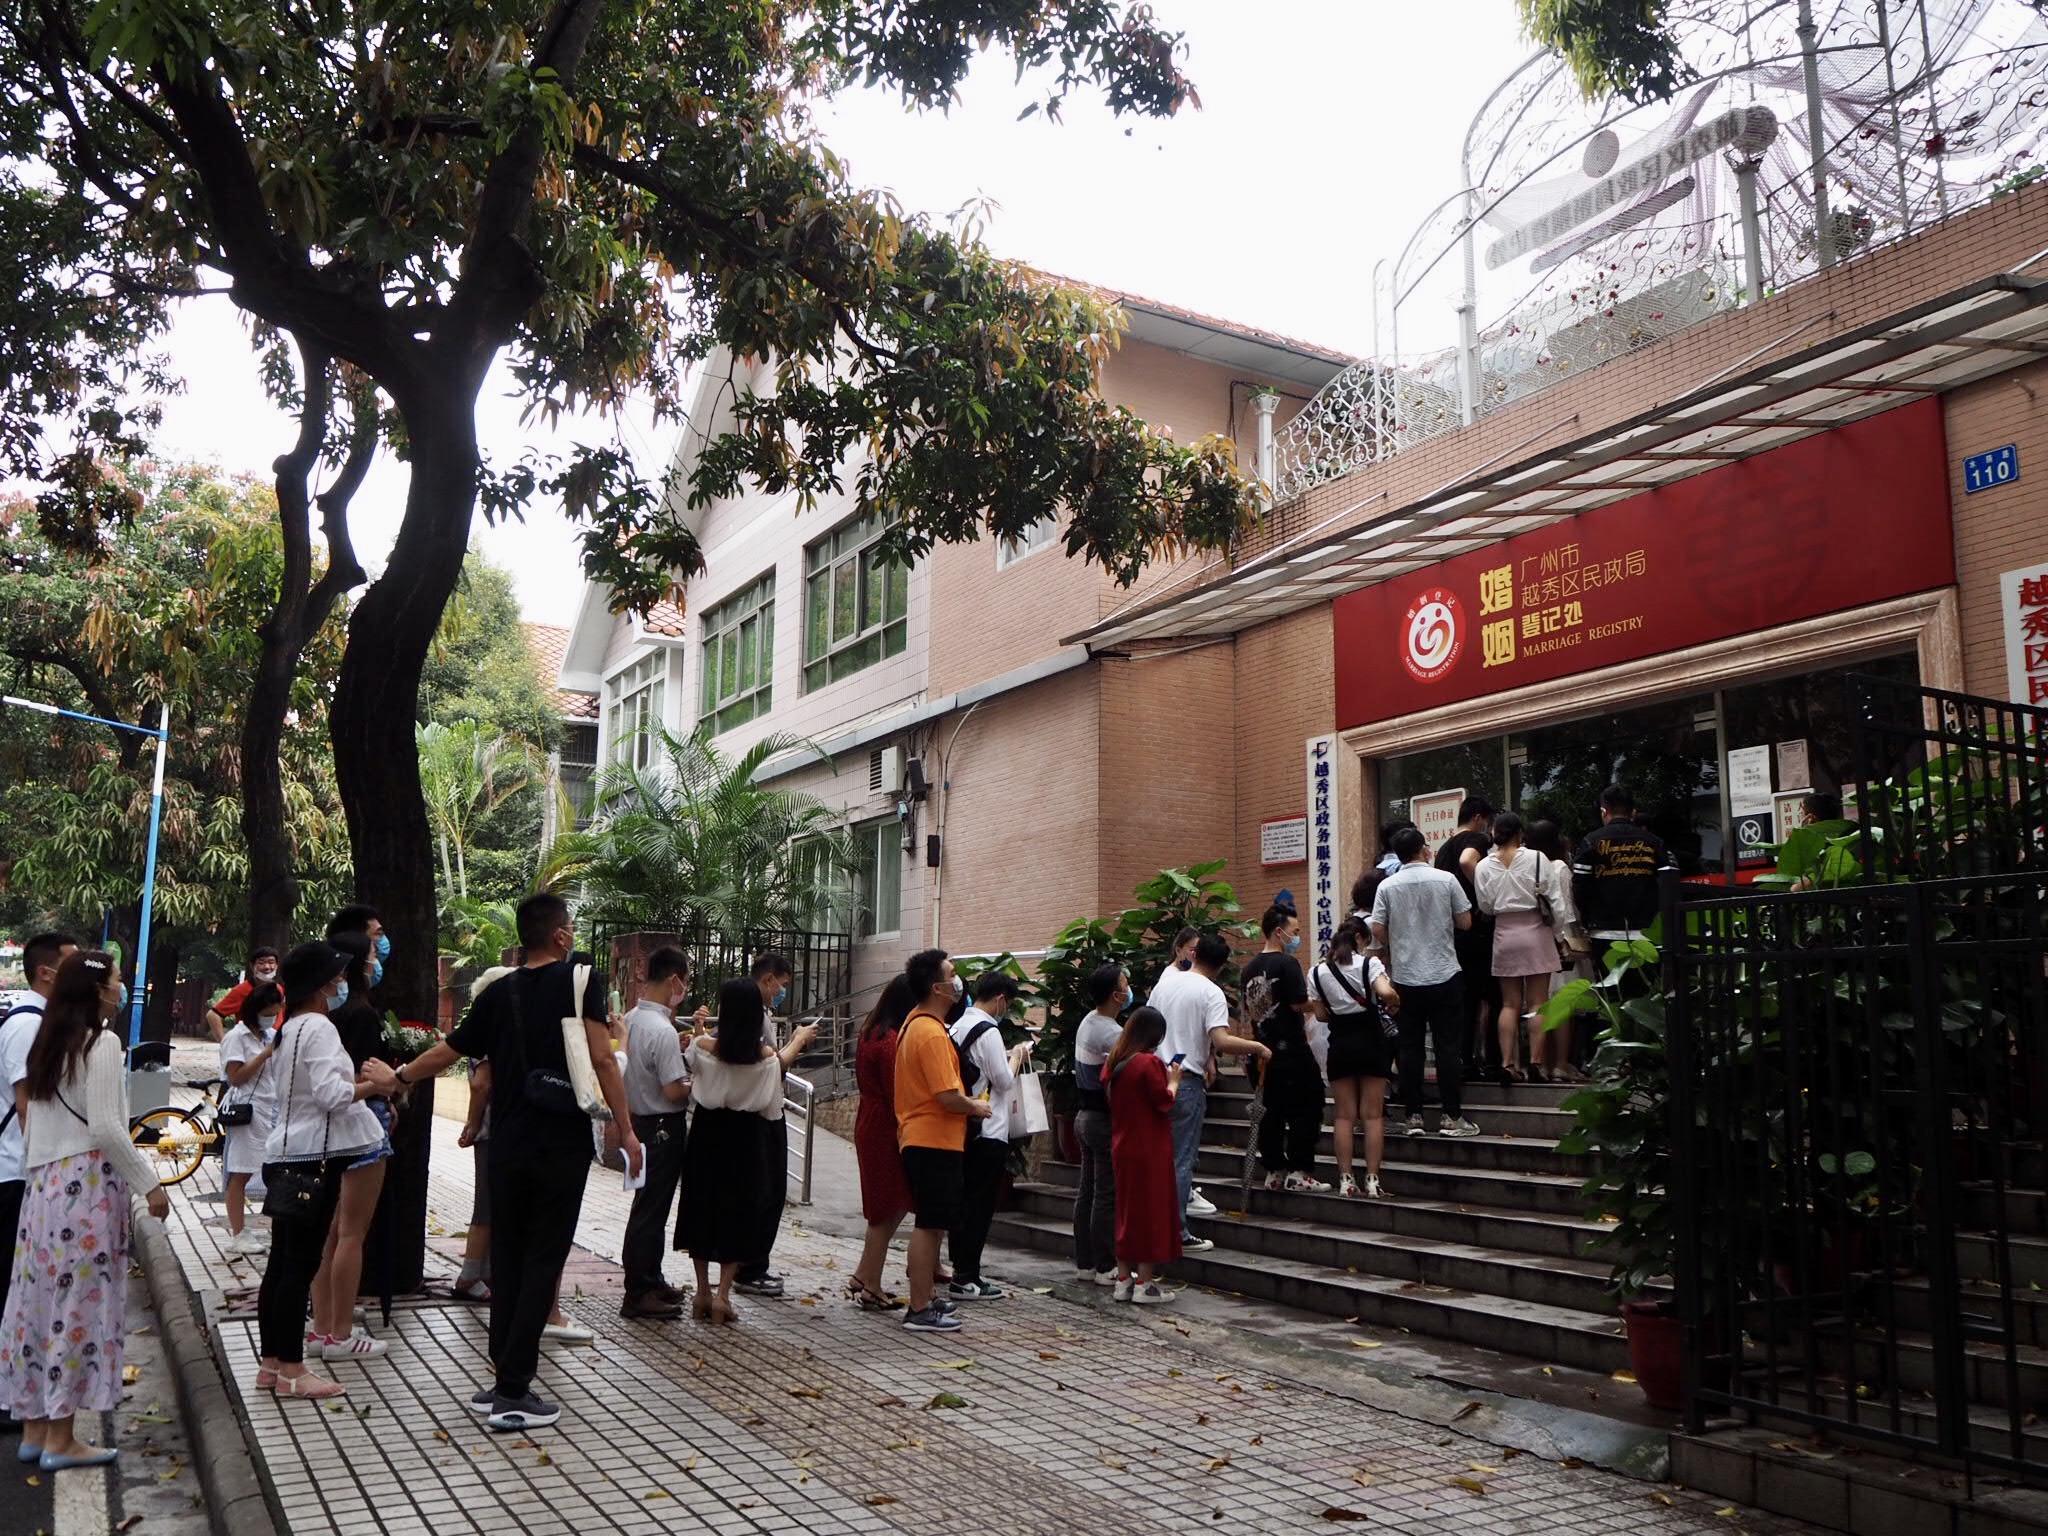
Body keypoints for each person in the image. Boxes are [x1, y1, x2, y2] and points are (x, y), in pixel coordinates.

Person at [392, 894, 642, 1432]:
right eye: (569, 926)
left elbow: (450, 1051)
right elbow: (603, 1058)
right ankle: (513, 1391)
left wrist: (399, 1077)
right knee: (543, 1258)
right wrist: (626, 1128)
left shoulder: (498, 992)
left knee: (508, 1256)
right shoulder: (580, 980)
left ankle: (501, 1376)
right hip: (560, 1141)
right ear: (559, 935)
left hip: (507, 1141)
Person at [0, 951, 169, 1469]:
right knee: (78, 1311)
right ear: (98, 991)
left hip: (43, 1190)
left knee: (35, 1307)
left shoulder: (47, 1042)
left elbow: (33, 1122)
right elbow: (107, 1128)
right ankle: (62, 1441)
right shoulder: (103, 1043)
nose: (122, 988)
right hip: (87, 1188)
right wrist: (150, 1184)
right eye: (117, 980)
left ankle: (34, 1430)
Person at [254, 942, 398, 1402]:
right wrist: (375, 1084)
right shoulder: (318, 1027)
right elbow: (331, 1095)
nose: (341, 984)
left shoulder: (291, 1028)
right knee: (298, 1267)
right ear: (320, 985)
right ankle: (293, 1370)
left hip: (287, 1155)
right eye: (336, 978)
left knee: (281, 1265)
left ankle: (271, 1364)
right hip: (312, 1160)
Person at [679, 978, 816, 1324]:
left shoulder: (701, 1046)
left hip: (706, 1133)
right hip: (746, 1138)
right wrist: (798, 1040)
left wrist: (699, 1030)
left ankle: (701, 1292)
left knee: (701, 1207)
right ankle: (723, 1296)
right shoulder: (766, 1059)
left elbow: (694, 1066)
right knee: (737, 1212)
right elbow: (771, 1106)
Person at [303, 929, 395, 1361]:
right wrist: (388, 1087)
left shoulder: (312, 1021)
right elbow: (360, 1080)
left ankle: (322, 1327)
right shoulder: (361, 1014)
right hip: (360, 1127)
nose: (378, 958)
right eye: (374, 950)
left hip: (322, 1135)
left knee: (328, 1234)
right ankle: (341, 1333)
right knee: (350, 1234)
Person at [0, 929, 78, 1434]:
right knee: (10, 1290)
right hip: (13, 1172)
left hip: (16, 1170)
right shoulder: (29, 1025)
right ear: (47, 973)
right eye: (73, 964)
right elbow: (28, 1106)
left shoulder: (39, 1021)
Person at [1149, 933, 1272, 1250]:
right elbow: (1221, 1040)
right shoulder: (1210, 992)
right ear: (1222, 964)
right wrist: (1258, 1047)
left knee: (1157, 1158)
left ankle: (1152, 1229)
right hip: (1186, 1082)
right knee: (1180, 1159)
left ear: (1195, 954)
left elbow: (1147, 1028)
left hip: (1156, 1076)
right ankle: (1176, 1232)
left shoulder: (1165, 985)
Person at [894, 949, 989, 1333]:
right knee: (929, 1224)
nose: (958, 981)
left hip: (930, 1138)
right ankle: (919, 1307)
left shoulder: (918, 1024)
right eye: (951, 974)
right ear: (937, 987)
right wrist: (976, 1107)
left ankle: (926, 1298)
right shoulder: (929, 1032)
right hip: (931, 1139)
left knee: (933, 1224)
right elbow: (947, 1095)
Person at [1371, 826, 1481, 1139]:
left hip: (1406, 977)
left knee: (1410, 1048)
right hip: (1444, 973)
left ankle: (1414, 1116)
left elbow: (1377, 928)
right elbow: (1465, 921)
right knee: (1448, 1047)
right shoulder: (1446, 879)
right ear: (1424, 849)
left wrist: (1397, 941)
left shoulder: (1387, 886)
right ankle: (1451, 1116)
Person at [620, 946, 697, 1320]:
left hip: (639, 1121)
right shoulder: (663, 1030)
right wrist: (694, 1081)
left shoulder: (631, 1018)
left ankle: (651, 1278)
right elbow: (672, 1091)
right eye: (686, 981)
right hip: (663, 1126)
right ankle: (639, 1290)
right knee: (652, 1210)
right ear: (674, 980)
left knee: (646, 1206)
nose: (685, 989)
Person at [947, 972, 1031, 1302]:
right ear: (1000, 999)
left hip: (964, 1126)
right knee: (980, 1207)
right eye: (1007, 1004)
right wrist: (1016, 1057)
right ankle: (967, 1276)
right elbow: (1003, 1080)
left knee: (964, 1203)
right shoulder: (989, 1030)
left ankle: (961, 1270)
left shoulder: (958, 1025)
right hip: (989, 1128)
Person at [1473, 811, 1570, 1086]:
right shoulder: (1538, 858)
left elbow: (1485, 906)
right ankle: (1537, 1062)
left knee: (1509, 1004)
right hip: (1536, 931)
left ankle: (1508, 1064)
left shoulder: (1483, 866)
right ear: (1520, 833)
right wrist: (1558, 934)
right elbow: (1556, 902)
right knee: (1538, 1001)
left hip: (1504, 933)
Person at [1308, 919, 1400, 1197]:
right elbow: (1386, 993)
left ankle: (1346, 1180)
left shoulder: (1317, 972)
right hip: (1371, 1043)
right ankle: (1372, 1180)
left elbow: (1320, 1015)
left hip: (1340, 1045)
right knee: (1372, 1116)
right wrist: (1394, 1000)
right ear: (1359, 940)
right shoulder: (1369, 964)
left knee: (1344, 1116)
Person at [1241, 904, 1328, 1193]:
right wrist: (1322, 1004)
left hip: (1261, 1053)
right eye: (1295, 931)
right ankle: (1300, 1170)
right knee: (1309, 1106)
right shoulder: (1287, 964)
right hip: (1291, 1051)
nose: (1297, 936)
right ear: (1279, 932)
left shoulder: (1248, 969)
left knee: (1271, 1113)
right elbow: (1298, 1003)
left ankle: (1274, 1170)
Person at [1104, 1005, 1181, 1304]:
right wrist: (1174, 1081)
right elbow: (1163, 1100)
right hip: (1150, 1148)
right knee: (1151, 1213)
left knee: (1126, 1212)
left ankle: (1123, 1279)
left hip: (1122, 1145)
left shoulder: (1116, 1061)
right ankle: (1144, 1283)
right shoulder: (1149, 1063)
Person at [848, 976, 917, 1310]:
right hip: (886, 1126)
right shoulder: (889, 1041)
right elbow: (896, 1091)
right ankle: (871, 1284)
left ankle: (865, 1273)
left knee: (886, 1204)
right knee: (888, 1206)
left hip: (871, 1120)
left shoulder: (870, 1032)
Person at [734, 951, 797, 1299]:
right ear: (769, 979)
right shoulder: (752, 1016)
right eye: (781, 985)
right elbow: (774, 1063)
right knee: (766, 1193)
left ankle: (748, 1265)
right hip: (763, 1114)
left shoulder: (756, 1014)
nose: (782, 992)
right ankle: (751, 1268)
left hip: (764, 1111)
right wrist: (798, 1041)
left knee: (764, 1192)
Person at [1436, 796, 1501, 1081]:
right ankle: (1493, 1061)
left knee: (1465, 1001)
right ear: (1477, 818)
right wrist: (1487, 895)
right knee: (1494, 997)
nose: (1488, 828)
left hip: (1453, 932)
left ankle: (1464, 1060)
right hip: (1477, 929)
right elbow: (1467, 861)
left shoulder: (1442, 850)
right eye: (1486, 821)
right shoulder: (1476, 839)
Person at [1070, 962, 1127, 1286]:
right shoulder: (1112, 1033)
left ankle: (1086, 1263)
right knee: (1105, 1194)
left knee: (1087, 1191)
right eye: (1125, 984)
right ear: (1116, 995)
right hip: (1102, 1120)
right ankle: (1105, 1265)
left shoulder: (1088, 1021)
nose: (1129, 989)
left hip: (1083, 1118)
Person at [1572, 784, 1676, 952]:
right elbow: (1669, 885)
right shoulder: (1655, 843)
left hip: (1604, 931)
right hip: (1648, 932)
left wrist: (1589, 919)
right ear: (1633, 813)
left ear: (1603, 811)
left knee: (1610, 971)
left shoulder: (1590, 841)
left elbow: (1580, 887)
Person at [220, 982, 283, 1254]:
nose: (271, 1018)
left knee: (275, 1170)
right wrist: (264, 1055)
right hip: (248, 1109)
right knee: (241, 1171)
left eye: (275, 1013)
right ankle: (238, 1234)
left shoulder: (271, 1034)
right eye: (267, 1013)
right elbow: (235, 1077)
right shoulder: (237, 1037)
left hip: (273, 1108)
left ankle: (276, 1227)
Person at [1525, 820, 1589, 1081]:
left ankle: (1544, 1062)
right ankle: (1561, 1063)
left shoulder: (1528, 867)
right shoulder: (1560, 867)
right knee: (1563, 1005)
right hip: (1559, 942)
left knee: (1542, 1004)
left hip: (1533, 941)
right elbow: (1567, 911)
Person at [205, 947, 280, 1042]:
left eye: (271, 962)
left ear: (277, 965)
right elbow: (213, 1015)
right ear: (252, 966)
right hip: (249, 1043)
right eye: (261, 963)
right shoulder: (242, 990)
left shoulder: (279, 989)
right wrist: (224, 1042)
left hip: (275, 1043)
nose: (267, 967)